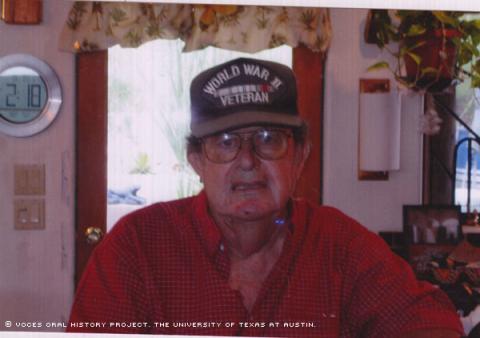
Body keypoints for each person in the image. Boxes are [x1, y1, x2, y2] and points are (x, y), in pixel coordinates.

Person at [67, 57, 464, 337]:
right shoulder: (136, 246)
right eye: (225, 143)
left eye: (269, 139)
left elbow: (429, 323)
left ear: (301, 155)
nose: (247, 161)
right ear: (196, 161)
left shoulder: (342, 245)